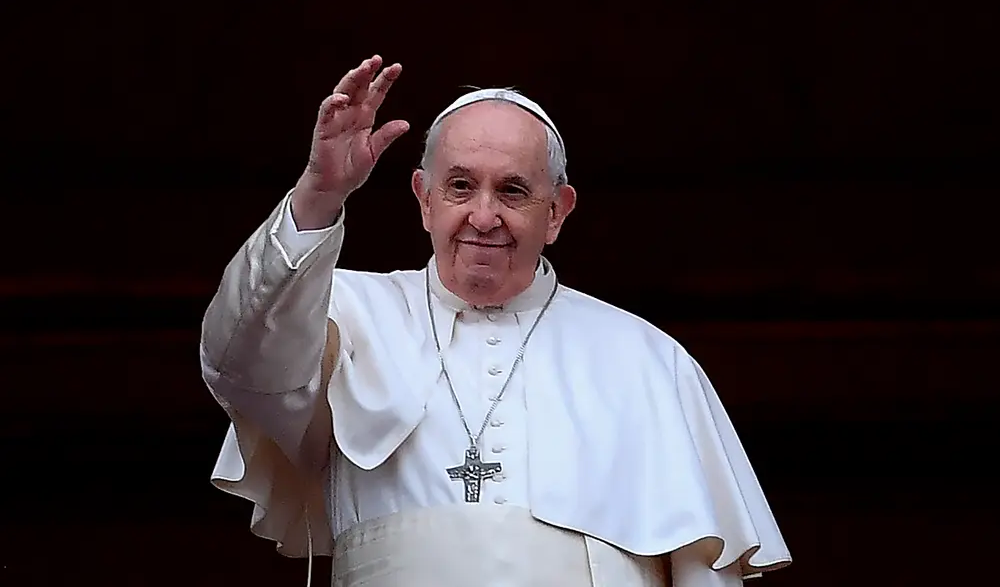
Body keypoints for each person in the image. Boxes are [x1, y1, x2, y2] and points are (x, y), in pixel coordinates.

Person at [201, 54, 792, 587]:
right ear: (424, 198)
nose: (484, 217)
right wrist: (319, 193)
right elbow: (240, 365)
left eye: (513, 191)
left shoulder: (645, 357)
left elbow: (702, 573)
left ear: (557, 213)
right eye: (460, 187)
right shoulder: (342, 313)